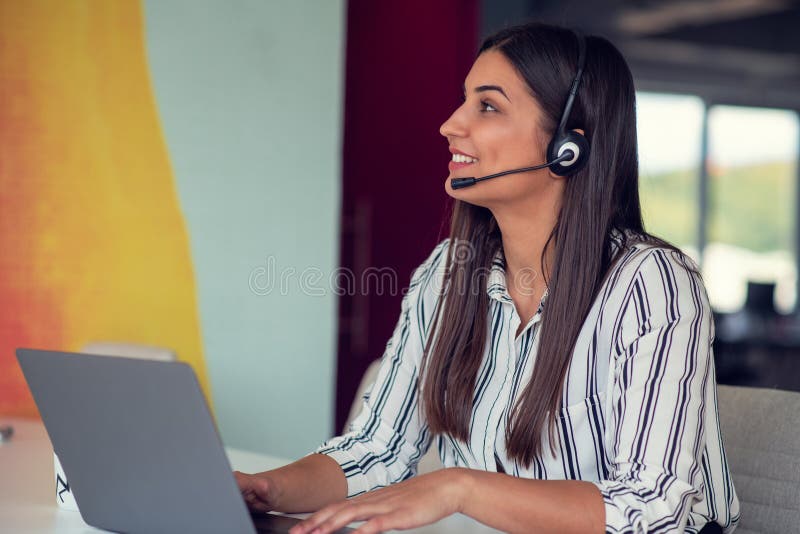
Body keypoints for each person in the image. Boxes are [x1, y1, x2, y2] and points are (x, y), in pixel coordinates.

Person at [235, 22, 740, 534]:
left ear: (568, 147)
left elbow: (653, 511)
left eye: (488, 106)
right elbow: (375, 451)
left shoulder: (651, 283)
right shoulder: (447, 273)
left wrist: (460, 487)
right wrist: (265, 488)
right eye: (464, 101)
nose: (451, 125)